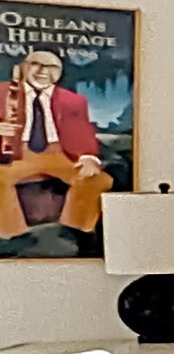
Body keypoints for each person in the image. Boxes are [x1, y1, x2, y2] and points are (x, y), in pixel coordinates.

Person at [0, 43, 112, 250]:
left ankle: (76, 234)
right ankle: (10, 239)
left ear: (60, 73)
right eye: (36, 64)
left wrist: (89, 157)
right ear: (23, 67)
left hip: (59, 153)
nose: (43, 72)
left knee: (98, 180)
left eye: (51, 67)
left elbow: (83, 132)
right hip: (15, 154)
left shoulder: (74, 101)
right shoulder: (3, 92)